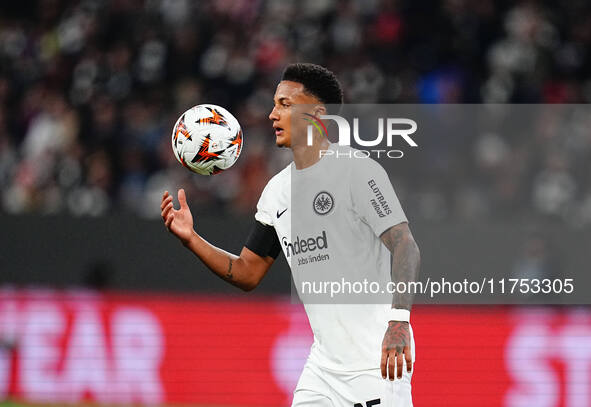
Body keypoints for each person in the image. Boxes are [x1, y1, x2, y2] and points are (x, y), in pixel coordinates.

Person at [160, 63, 420, 406]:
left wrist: (399, 321)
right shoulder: (277, 192)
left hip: (377, 362)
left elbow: (405, 245)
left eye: (284, 104)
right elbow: (247, 272)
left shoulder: (358, 172)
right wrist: (192, 239)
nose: (271, 114)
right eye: (274, 104)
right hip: (323, 370)